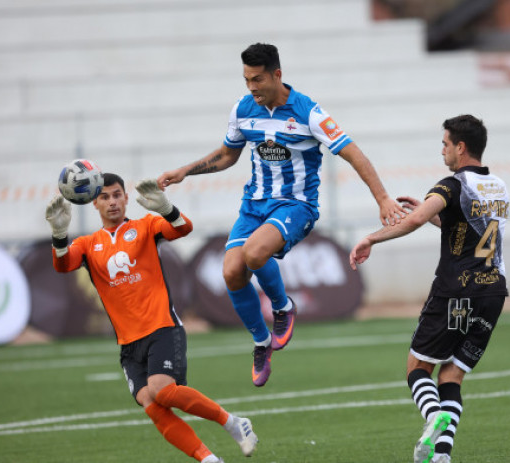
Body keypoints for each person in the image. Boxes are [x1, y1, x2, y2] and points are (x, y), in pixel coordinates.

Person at [156, 42, 404, 387]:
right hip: (254, 206)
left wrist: (383, 199)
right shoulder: (243, 109)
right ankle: (261, 342)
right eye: (246, 80)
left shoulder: (308, 112)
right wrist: (186, 170)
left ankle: (283, 307)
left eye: (257, 79)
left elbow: (354, 154)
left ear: (277, 74)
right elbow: (229, 155)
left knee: (254, 253)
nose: (252, 87)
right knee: (230, 272)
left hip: (296, 205)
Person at [45, 174, 258, 462]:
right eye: (105, 197)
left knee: (162, 391)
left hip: (162, 328)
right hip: (129, 343)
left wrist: (165, 207)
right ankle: (209, 460)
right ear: (94, 202)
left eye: (117, 194)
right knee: (151, 403)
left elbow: (183, 228)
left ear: (126, 198)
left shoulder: (145, 227)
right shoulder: (87, 244)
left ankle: (232, 422)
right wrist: (59, 233)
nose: (112, 202)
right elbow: (62, 265)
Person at [349, 115, 509, 463]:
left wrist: (371, 239)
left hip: (457, 291)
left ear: (460, 147)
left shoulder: (451, 186)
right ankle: (441, 456)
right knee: (452, 374)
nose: (443, 151)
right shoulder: (498, 186)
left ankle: (432, 416)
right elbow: (469, 229)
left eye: (445, 144)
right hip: (493, 292)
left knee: (418, 369)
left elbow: (416, 220)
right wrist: (436, 216)